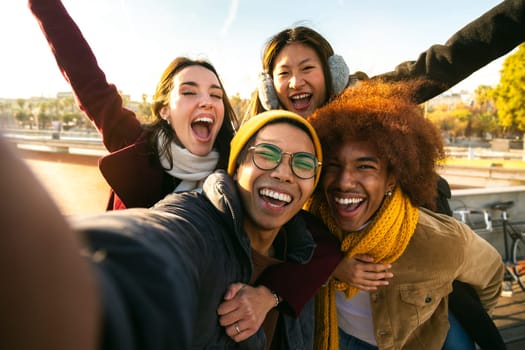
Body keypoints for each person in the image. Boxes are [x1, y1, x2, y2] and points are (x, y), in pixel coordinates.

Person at [229, 1, 524, 347]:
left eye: (307, 67)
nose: (296, 81)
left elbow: (446, 60)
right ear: (268, 86)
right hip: (341, 295)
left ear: (331, 72)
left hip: (415, 269)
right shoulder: (267, 141)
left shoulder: (370, 100)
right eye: (283, 72)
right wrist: (333, 264)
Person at [0, 109, 326, 349]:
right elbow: (154, 244)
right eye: (267, 154)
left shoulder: (301, 256)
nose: (284, 173)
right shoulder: (198, 223)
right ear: (237, 165)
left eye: (303, 163)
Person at [305, 79, 505, 350]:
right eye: (333, 165)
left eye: (365, 167)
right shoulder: (308, 224)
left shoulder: (441, 241)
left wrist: (451, 314)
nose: (344, 181)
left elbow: (492, 279)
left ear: (392, 179)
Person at [29, 0, 238, 210]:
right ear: (164, 110)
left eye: (216, 95)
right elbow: (81, 68)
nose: (206, 102)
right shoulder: (135, 145)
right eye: (189, 92)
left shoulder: (239, 169)